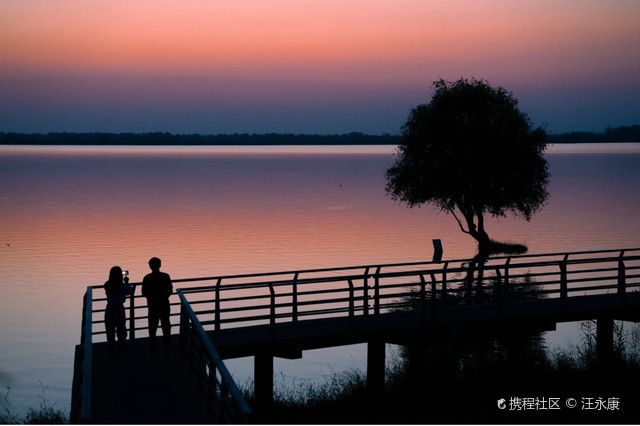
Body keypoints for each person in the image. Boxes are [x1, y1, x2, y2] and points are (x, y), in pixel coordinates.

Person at [142, 257, 173, 354]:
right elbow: (170, 290)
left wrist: (152, 299)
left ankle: (152, 348)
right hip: (164, 305)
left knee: (152, 327)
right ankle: (167, 347)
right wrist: (164, 297)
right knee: (166, 326)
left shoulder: (147, 278)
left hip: (152, 306)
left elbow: (144, 292)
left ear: (150, 266)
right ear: (160, 265)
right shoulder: (165, 276)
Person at [104, 266, 134, 360]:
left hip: (109, 309)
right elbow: (130, 292)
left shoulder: (107, 285)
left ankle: (111, 352)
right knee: (121, 332)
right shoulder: (122, 286)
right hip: (119, 310)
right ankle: (121, 352)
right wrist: (126, 282)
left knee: (110, 332)